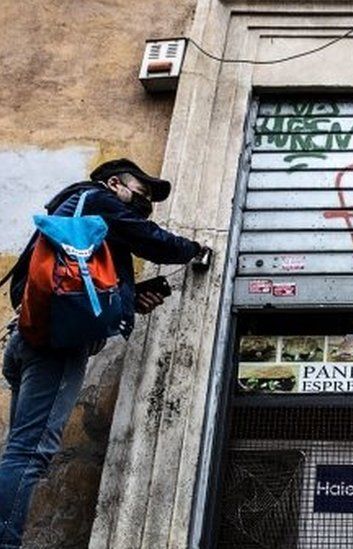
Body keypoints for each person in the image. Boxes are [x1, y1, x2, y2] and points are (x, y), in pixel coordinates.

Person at [0, 158, 207, 548]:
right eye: (141, 193)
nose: (144, 203)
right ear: (115, 183)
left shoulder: (69, 220)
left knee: (19, 452)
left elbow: (75, 287)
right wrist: (196, 249)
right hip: (55, 348)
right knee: (29, 455)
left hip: (25, 343)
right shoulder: (96, 199)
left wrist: (129, 301)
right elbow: (153, 241)